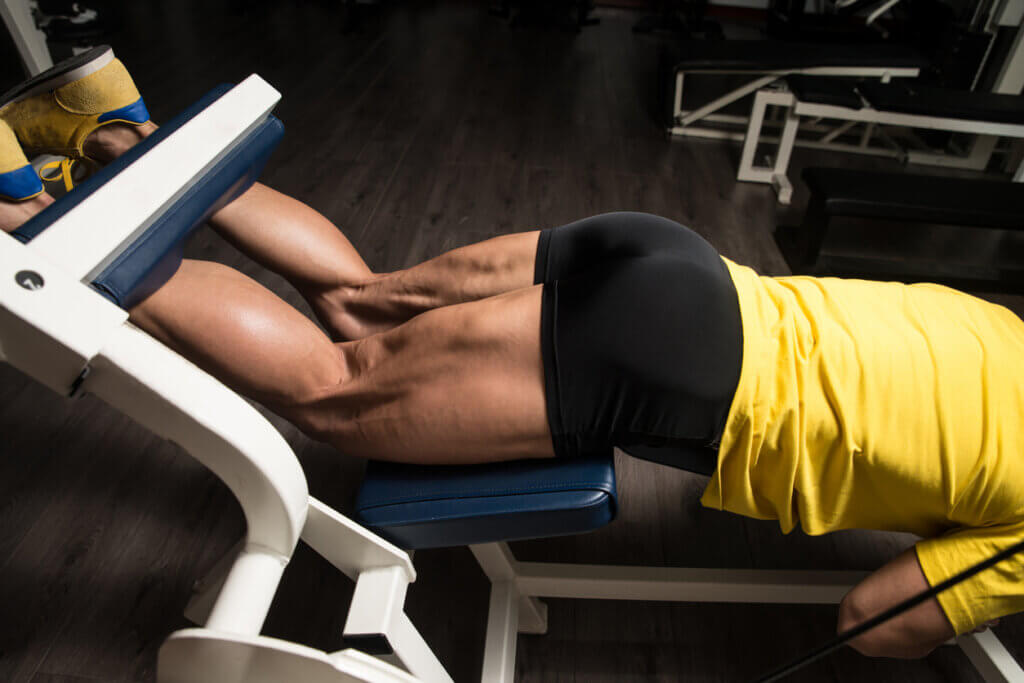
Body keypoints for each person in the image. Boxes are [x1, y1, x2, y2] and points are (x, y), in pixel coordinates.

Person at [1, 46, 1020, 661]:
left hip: (678, 263)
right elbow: (876, 615)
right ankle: (31, 212)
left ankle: (103, 128)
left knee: (360, 305)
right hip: (657, 362)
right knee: (334, 382)